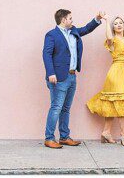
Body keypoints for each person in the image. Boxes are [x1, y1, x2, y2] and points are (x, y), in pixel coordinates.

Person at [42, 8, 106, 149]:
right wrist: (51, 73)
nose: (72, 20)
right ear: (63, 20)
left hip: (72, 76)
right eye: (70, 18)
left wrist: (97, 19)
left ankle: (64, 137)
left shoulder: (73, 31)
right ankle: (49, 138)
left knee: (66, 108)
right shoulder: (51, 35)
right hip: (58, 77)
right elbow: (46, 54)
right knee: (56, 107)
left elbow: (86, 29)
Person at [86, 16, 124, 146]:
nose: (118, 25)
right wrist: (106, 22)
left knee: (113, 102)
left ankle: (106, 132)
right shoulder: (113, 40)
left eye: (120, 23)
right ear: (113, 28)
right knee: (122, 101)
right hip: (115, 73)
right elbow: (108, 37)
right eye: (115, 24)